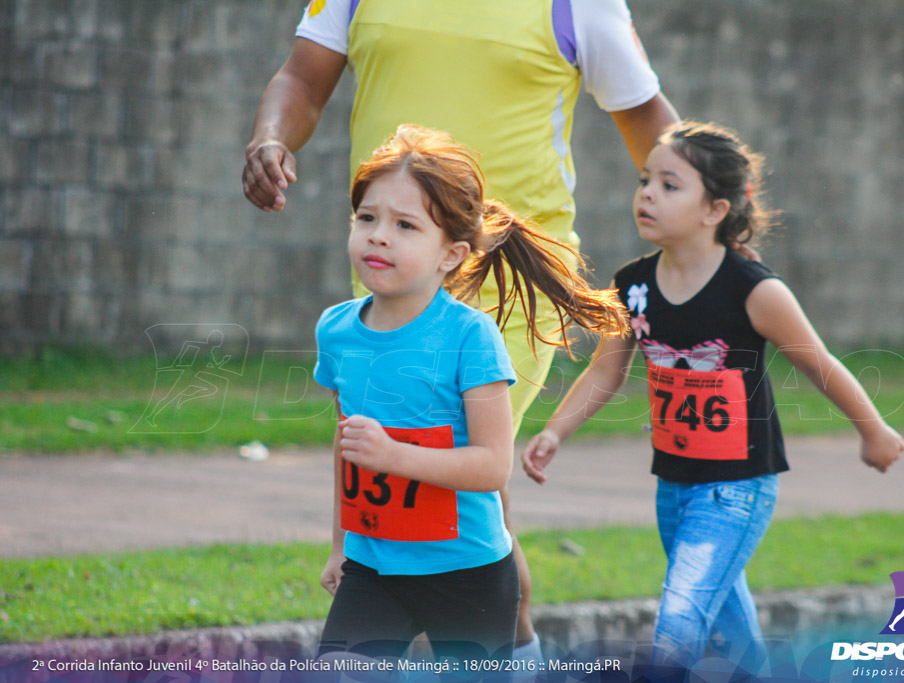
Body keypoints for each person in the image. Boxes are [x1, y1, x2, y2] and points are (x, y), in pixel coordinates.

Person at [242, 0, 678, 655]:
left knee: (456, 486)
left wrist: (705, 229)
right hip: (394, 281)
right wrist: (269, 138)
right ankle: (507, 643)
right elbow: (303, 79)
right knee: (461, 518)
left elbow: (646, 116)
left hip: (512, 291)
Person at [520, 120, 904, 668]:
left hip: (737, 489)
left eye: (669, 185)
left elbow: (820, 365)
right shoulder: (633, 284)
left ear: (715, 210)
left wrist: (874, 430)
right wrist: (555, 431)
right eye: (645, 180)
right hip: (672, 484)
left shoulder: (756, 291)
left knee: (679, 621)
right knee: (732, 632)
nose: (647, 193)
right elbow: (606, 372)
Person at [312, 125, 628, 662]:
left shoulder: (468, 337)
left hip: (468, 574)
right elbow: (350, 452)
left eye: (405, 225)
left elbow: (490, 467)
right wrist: (341, 547)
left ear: (451, 255)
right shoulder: (336, 330)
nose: (378, 235)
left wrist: (395, 455)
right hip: (373, 567)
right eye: (366, 217)